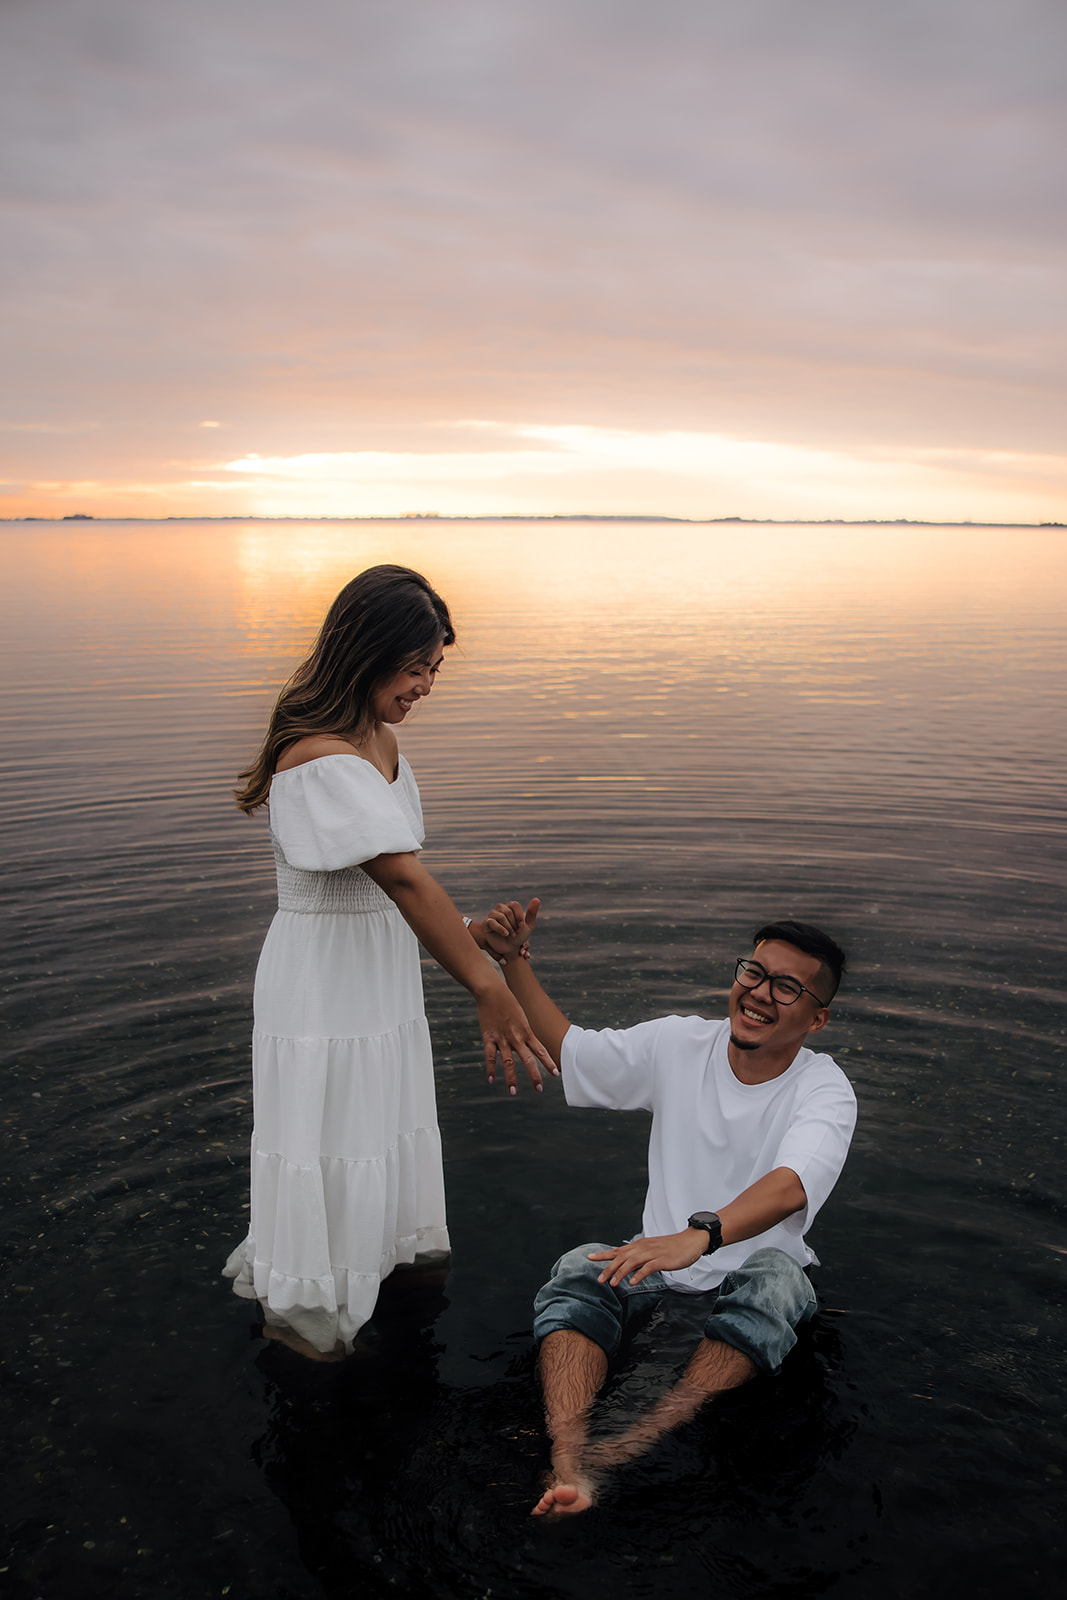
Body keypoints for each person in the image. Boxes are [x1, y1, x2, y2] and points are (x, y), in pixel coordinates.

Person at [222, 566, 555, 1361]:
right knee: (330, 1130)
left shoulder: (382, 743)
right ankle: (307, 1325)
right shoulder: (317, 756)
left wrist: (472, 934)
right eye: (416, 668)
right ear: (366, 653)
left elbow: (384, 891)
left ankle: (384, 1270)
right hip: (322, 986)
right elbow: (402, 879)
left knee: (377, 1124)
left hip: (377, 974)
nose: (425, 687)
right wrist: (486, 990)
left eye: (435, 670)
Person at [484, 902, 857, 1515]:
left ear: (817, 1019)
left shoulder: (824, 1089)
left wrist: (701, 1235)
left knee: (776, 1282)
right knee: (580, 1266)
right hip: (658, 1266)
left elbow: (793, 1183)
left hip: (743, 1270)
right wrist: (512, 963)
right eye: (754, 973)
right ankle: (570, 1459)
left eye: (787, 987)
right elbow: (570, 1049)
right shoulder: (680, 1043)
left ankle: (629, 1444)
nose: (760, 994)